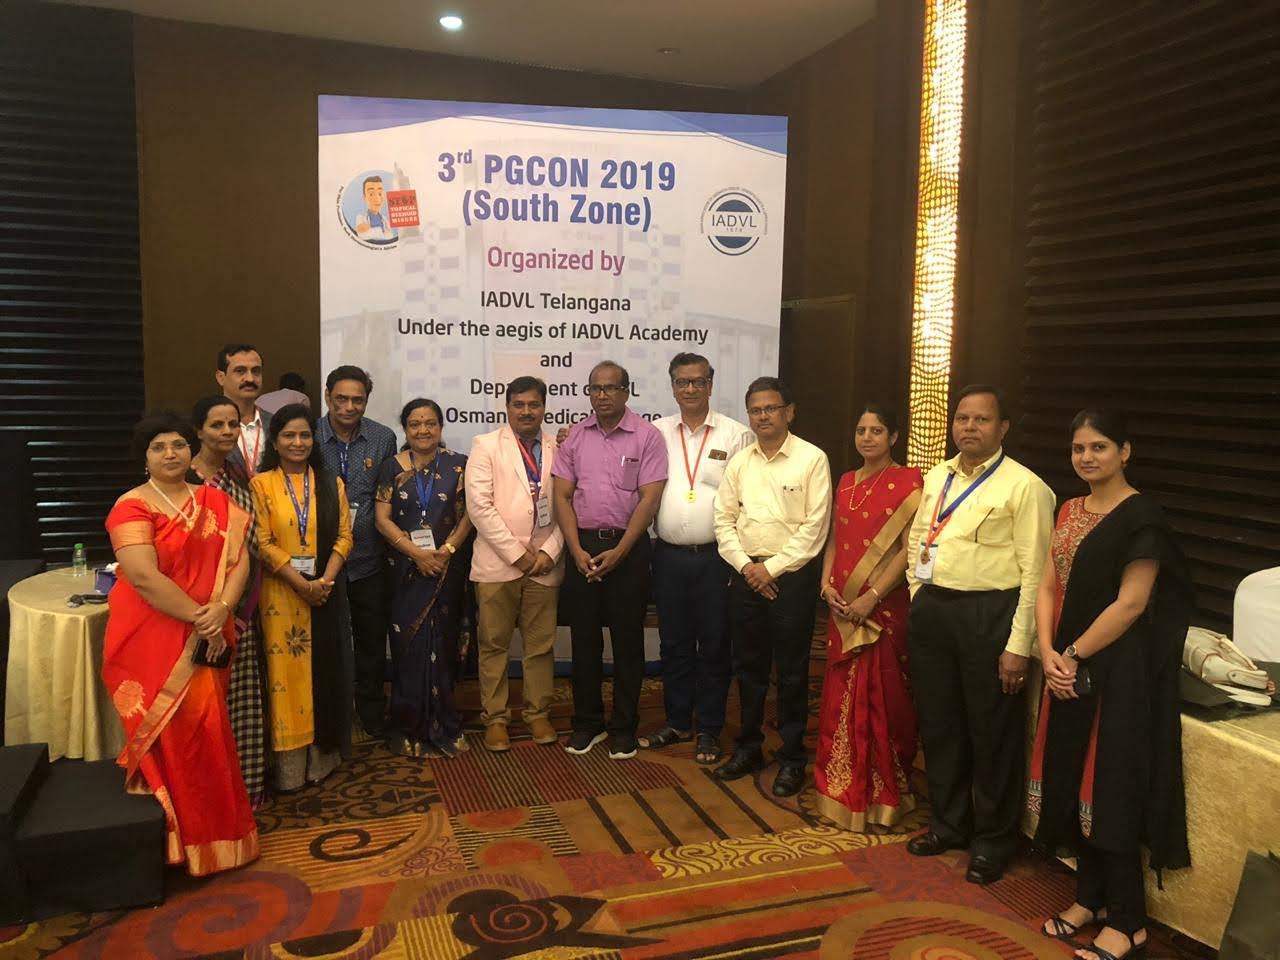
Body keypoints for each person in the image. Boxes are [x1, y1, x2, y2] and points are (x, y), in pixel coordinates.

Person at [1031, 410, 1190, 960]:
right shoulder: (1069, 509)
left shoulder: (1142, 517)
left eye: (1099, 446)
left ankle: (1128, 922)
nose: (1087, 457)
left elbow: (1132, 603)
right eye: (1078, 448)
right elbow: (1048, 585)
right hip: (1065, 664)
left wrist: (1072, 654)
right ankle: (1090, 898)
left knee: (1108, 787)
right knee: (1071, 777)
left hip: (1117, 671)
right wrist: (1047, 652)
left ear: (1125, 451)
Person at [904, 384, 1055, 884]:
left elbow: (1036, 576)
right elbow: (918, 539)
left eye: (982, 419)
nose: (969, 427)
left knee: (992, 733)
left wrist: (1018, 646)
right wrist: (917, 595)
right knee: (940, 724)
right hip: (935, 610)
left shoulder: (1026, 487)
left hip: (990, 614)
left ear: (1003, 427)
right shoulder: (937, 476)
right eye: (962, 418)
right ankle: (949, 825)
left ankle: (993, 839)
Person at [102, 412, 259, 875]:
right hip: (153, 636)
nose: (170, 454)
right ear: (144, 457)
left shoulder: (214, 500)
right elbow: (143, 577)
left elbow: (240, 560)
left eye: (177, 445)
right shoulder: (132, 506)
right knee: (170, 738)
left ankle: (220, 838)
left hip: (207, 631)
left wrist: (222, 609)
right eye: (158, 447)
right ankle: (178, 841)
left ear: (191, 452)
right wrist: (200, 617)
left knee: (207, 733)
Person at [713, 376, 831, 797]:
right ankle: (748, 747)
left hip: (792, 580)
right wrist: (749, 568)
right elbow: (723, 520)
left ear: (789, 412)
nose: (763, 416)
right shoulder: (740, 462)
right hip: (746, 575)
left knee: (793, 671)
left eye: (771, 408)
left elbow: (815, 528)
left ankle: (792, 757)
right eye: (756, 410)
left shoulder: (812, 459)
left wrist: (772, 569)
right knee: (748, 668)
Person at [552, 361, 667, 760]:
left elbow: (650, 500)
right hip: (582, 547)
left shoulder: (647, 436)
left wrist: (620, 552)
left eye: (610, 388)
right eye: (595, 389)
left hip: (628, 548)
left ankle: (623, 726)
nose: (601, 395)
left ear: (626, 391)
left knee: (627, 641)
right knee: (584, 640)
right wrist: (575, 549)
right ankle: (587, 723)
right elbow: (562, 496)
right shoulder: (575, 438)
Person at [814, 405, 922, 830]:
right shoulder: (845, 481)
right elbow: (834, 541)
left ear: (893, 437)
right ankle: (841, 785)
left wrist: (871, 597)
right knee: (840, 694)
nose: (867, 437)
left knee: (885, 699)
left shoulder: (909, 483)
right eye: (861, 430)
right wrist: (826, 585)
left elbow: (908, 551)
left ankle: (884, 792)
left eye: (877, 430)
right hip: (842, 605)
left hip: (883, 609)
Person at [640, 353, 751, 765]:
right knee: (673, 642)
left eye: (698, 381)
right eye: (682, 382)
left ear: (710, 385)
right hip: (667, 556)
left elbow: (745, 501)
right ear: (672, 386)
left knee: (715, 644)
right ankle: (677, 720)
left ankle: (709, 728)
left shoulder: (736, 435)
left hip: (715, 559)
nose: (690, 389)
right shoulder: (655, 433)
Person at [250, 403, 354, 792]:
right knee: (286, 678)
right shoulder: (260, 485)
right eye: (289, 435)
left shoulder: (330, 483)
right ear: (275, 441)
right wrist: (301, 583)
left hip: (325, 592)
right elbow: (262, 542)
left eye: (305, 435)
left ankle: (321, 761)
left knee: (323, 672)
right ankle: (290, 770)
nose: (298, 442)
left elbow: (345, 535)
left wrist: (323, 581)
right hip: (280, 596)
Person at [466, 377, 565, 752]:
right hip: (498, 563)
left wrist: (549, 552)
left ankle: (538, 713)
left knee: (540, 646)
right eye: (519, 404)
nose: (526, 411)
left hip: (545, 565)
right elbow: (479, 507)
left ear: (544, 408)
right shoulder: (486, 445)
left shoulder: (560, 447)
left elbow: (570, 504)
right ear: (507, 407)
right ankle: (495, 718)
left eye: (534, 404)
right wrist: (518, 555)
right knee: (494, 644)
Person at [374, 398, 474, 757]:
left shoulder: (459, 465)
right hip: (405, 571)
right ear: (405, 429)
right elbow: (382, 519)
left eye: (430, 423)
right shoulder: (392, 467)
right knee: (409, 648)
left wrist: (446, 551)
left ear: (441, 427)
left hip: (447, 569)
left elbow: (469, 515)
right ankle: (408, 725)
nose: (423, 430)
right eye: (415, 424)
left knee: (444, 646)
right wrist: (416, 554)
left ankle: (445, 722)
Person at [187, 395, 268, 805]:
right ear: (199, 430)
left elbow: (249, 546)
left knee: (240, 705)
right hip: (196, 613)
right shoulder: (184, 478)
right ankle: (203, 799)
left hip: (239, 607)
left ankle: (244, 795)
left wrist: (234, 606)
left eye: (233, 425)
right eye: (216, 425)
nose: (226, 432)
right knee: (200, 708)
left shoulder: (238, 476)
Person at [316, 365, 398, 736]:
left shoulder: (383, 438)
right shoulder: (308, 435)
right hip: (321, 563)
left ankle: (371, 713)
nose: (349, 407)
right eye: (341, 399)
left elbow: (387, 495)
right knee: (326, 644)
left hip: (369, 560)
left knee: (371, 641)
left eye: (358, 400)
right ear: (327, 396)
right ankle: (328, 717)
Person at [215, 343, 268, 476]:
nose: (250, 379)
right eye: (240, 371)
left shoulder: (275, 423)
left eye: (256, 371)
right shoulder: (205, 427)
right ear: (220, 377)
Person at [355, 175, 394, 240]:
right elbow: (362, 236)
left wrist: (371, 230)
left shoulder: (384, 219)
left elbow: (390, 236)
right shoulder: (360, 218)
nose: (377, 199)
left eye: (380, 194)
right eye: (371, 194)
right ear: (364, 197)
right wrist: (381, 232)